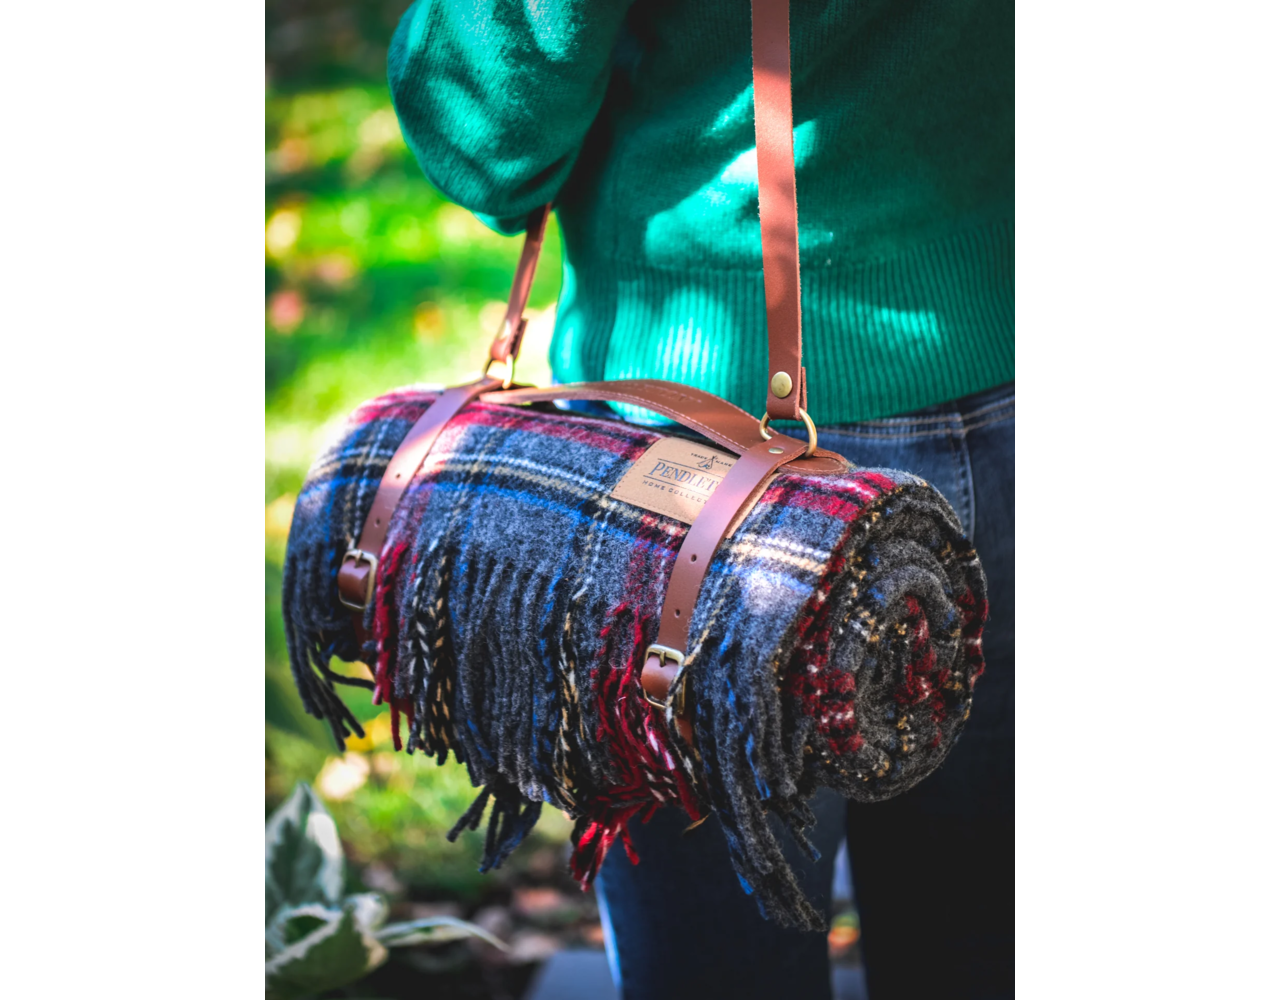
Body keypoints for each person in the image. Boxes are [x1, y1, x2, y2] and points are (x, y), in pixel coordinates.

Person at [388, 2, 1014, 998]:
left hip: (693, 478)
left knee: (715, 969)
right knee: (977, 947)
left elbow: (482, 133)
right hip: (991, 368)